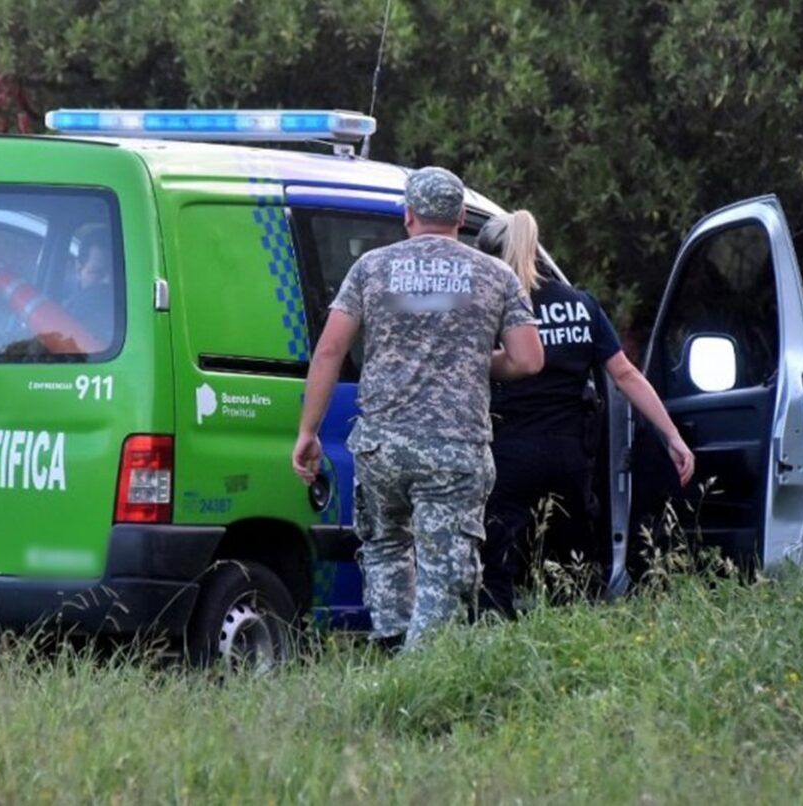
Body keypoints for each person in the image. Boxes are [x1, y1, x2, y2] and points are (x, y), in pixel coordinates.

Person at [291, 167, 544, 651]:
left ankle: (392, 652)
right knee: (442, 571)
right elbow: (528, 359)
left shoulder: (370, 268)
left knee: (385, 548)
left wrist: (309, 431)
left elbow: (328, 351)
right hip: (455, 450)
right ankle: (423, 672)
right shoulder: (496, 274)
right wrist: (472, 358)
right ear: (463, 217)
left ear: (408, 215)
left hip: (382, 446)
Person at [476, 211, 694, 618]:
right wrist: (672, 436)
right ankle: (575, 631)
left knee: (496, 557)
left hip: (510, 453)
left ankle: (495, 636)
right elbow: (626, 375)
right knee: (573, 556)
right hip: (570, 457)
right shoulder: (581, 305)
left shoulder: (494, 308)